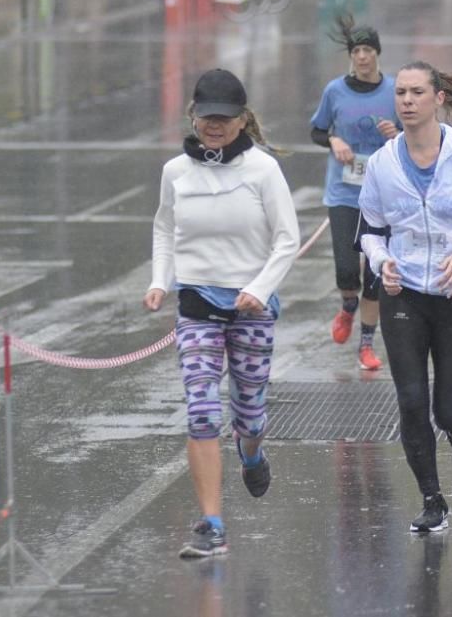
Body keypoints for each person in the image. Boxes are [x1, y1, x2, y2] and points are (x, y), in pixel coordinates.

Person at [144, 69, 300, 558]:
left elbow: (287, 239)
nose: (215, 125)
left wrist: (259, 288)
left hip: (251, 305)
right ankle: (212, 523)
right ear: (192, 115)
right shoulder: (176, 172)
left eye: (225, 118)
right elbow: (165, 229)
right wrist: (158, 281)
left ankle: (251, 453)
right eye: (207, 116)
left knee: (249, 415)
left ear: (242, 120)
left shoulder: (262, 170)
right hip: (196, 305)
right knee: (202, 411)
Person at [357, 61, 452, 533]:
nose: (406, 100)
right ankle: (431, 498)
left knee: (447, 408)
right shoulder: (382, 162)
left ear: (438, 98)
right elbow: (370, 227)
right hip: (404, 294)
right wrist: (381, 259)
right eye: (401, 92)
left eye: (417, 92)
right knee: (409, 399)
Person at [310, 15, 399, 371]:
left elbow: (416, 137)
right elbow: (316, 131)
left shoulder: (394, 91)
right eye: (356, 51)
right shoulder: (335, 91)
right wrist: (333, 139)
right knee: (348, 272)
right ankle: (348, 306)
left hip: (382, 197)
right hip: (344, 194)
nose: (362, 57)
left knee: (375, 276)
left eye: (368, 50)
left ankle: (366, 344)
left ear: (377, 54)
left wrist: (397, 134)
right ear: (351, 55)